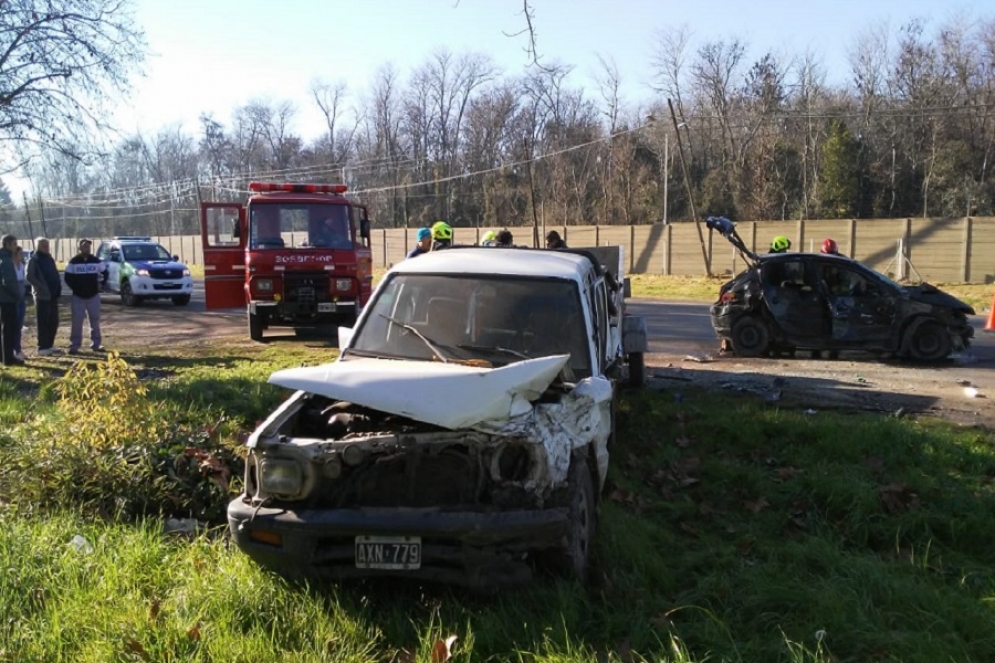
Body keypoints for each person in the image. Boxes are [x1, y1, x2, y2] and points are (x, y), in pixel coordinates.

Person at [64, 238, 107, 354]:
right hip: (78, 297)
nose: (86, 248)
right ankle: (75, 345)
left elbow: (105, 272)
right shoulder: (73, 261)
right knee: (77, 321)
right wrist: (76, 288)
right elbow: (67, 277)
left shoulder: (96, 260)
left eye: (88, 246)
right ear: (79, 248)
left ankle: (96, 344)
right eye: (83, 246)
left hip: (93, 296)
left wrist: (101, 285)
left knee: (95, 320)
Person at [27, 237, 62, 356]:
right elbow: (30, 276)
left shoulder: (49, 258)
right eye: (43, 245)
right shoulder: (34, 259)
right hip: (42, 296)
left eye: (47, 245)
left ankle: (50, 345)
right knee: (43, 321)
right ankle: (42, 347)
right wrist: (41, 287)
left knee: (54, 321)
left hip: (53, 295)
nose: (46, 247)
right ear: (38, 246)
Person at [0, 234, 23, 366]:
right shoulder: (7, 260)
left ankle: (3, 356)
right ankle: (8, 358)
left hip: (2, 298)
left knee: (4, 328)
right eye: (14, 244)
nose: (16, 247)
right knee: (9, 329)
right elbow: (8, 281)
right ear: (7, 244)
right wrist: (17, 294)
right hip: (7, 299)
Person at [11, 245, 26, 360]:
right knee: (13, 325)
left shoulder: (21, 266)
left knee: (19, 325)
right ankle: (11, 349)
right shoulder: (10, 266)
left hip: (21, 299)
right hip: (13, 300)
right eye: (20, 254)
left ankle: (18, 349)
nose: (22, 256)